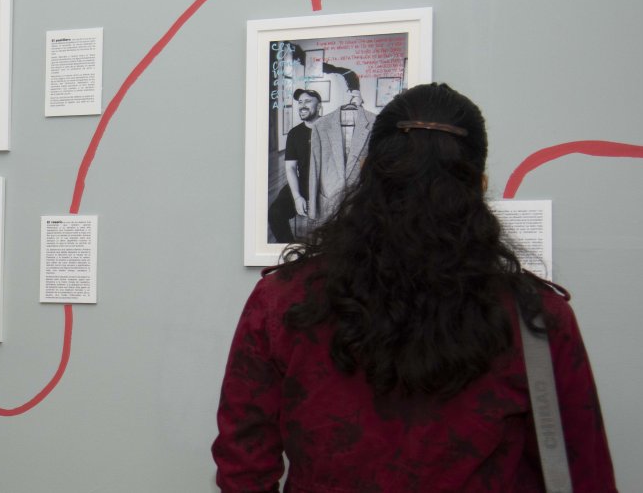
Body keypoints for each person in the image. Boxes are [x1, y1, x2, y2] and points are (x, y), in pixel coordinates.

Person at [213, 83, 616, 491]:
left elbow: (243, 466)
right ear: (479, 187)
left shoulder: (284, 301)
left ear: (367, 172)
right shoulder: (537, 318)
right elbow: (584, 474)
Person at [267, 88, 321, 243]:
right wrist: (297, 197)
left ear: (319, 106)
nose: (302, 105)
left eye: (308, 101)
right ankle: (291, 251)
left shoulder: (330, 129)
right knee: (275, 212)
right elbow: (290, 168)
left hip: (327, 184)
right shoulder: (294, 134)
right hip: (303, 184)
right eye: (300, 102)